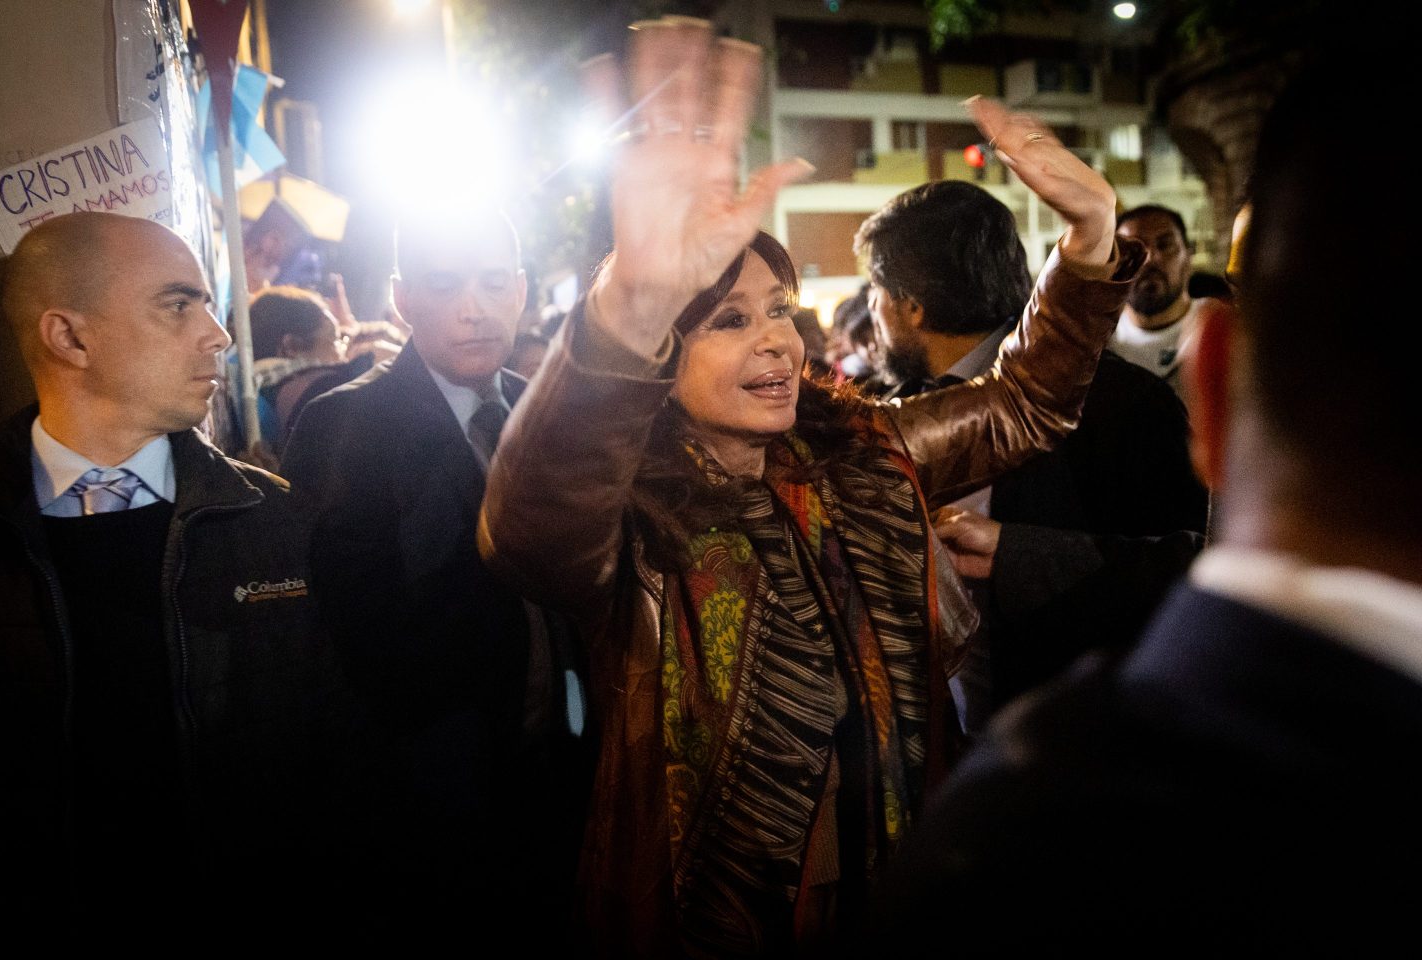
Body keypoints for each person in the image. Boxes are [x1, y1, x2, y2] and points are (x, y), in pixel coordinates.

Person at [479, 19, 1140, 955]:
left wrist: (1089, 240)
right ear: (661, 355)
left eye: (782, 312)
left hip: (905, 879)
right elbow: (528, 527)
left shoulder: (857, 454)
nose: (778, 343)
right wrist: (630, 300)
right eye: (729, 320)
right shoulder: (629, 517)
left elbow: (1023, 407)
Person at [874, 58, 1421, 951]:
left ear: (1211, 388)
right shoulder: (875, 427)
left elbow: (1160, 540)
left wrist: (1021, 552)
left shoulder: (1027, 834)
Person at [0, 212, 370, 931]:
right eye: (178, 304)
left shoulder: (274, 521)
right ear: (70, 336)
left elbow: (336, 768)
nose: (217, 334)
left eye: (209, 304)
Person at [281, 205, 583, 929]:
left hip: (557, 775)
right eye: (445, 286)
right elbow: (347, 642)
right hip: (426, 800)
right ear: (402, 298)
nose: (473, 308)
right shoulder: (345, 425)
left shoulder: (542, 413)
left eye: (492, 282)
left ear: (521, 290)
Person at [855, 181, 1207, 722]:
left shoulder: (1124, 404)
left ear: (912, 306)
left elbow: (1187, 583)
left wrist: (1021, 557)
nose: (871, 311)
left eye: (875, 289)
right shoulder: (893, 418)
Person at [1107, 203, 1222, 393]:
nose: (1151, 258)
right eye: (1136, 248)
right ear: (1114, 265)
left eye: (1165, 245)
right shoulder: (1097, 346)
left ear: (1188, 257)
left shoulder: (1222, 330)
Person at [244, 285, 371, 453]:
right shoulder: (314, 389)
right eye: (334, 341)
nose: (343, 355)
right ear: (291, 346)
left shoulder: (263, 386)